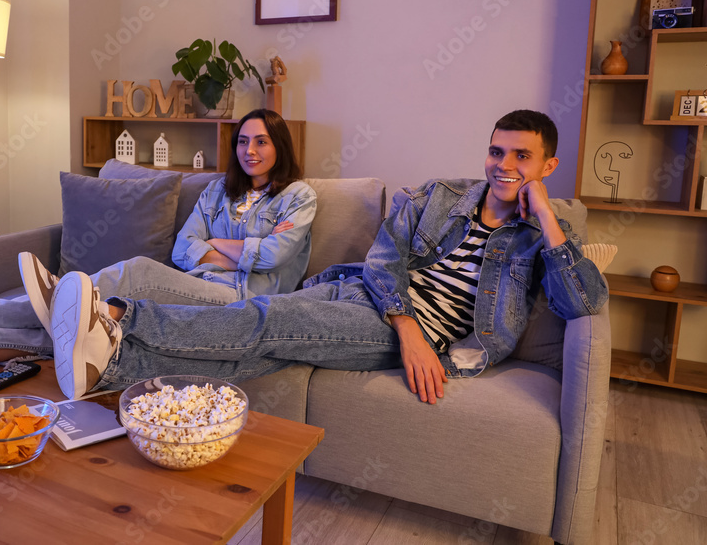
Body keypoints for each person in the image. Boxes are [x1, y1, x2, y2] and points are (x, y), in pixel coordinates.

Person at [44, 109, 609, 401]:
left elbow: (583, 303)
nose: (503, 165)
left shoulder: (543, 238)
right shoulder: (441, 195)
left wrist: (550, 223)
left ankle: (116, 319)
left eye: (521, 157)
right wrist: (408, 327)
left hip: (389, 329)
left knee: (265, 320)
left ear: (546, 166)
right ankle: (105, 367)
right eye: (495, 151)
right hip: (363, 296)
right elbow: (384, 258)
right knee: (259, 354)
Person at [0, 109, 316, 385]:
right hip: (198, 284)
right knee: (93, 318)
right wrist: (233, 251)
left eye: (260, 141)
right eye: (243, 141)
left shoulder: (299, 197)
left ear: (279, 145)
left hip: (243, 300)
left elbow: (275, 256)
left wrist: (218, 246)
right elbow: (186, 247)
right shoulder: (219, 191)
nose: (250, 150)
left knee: (137, 272)